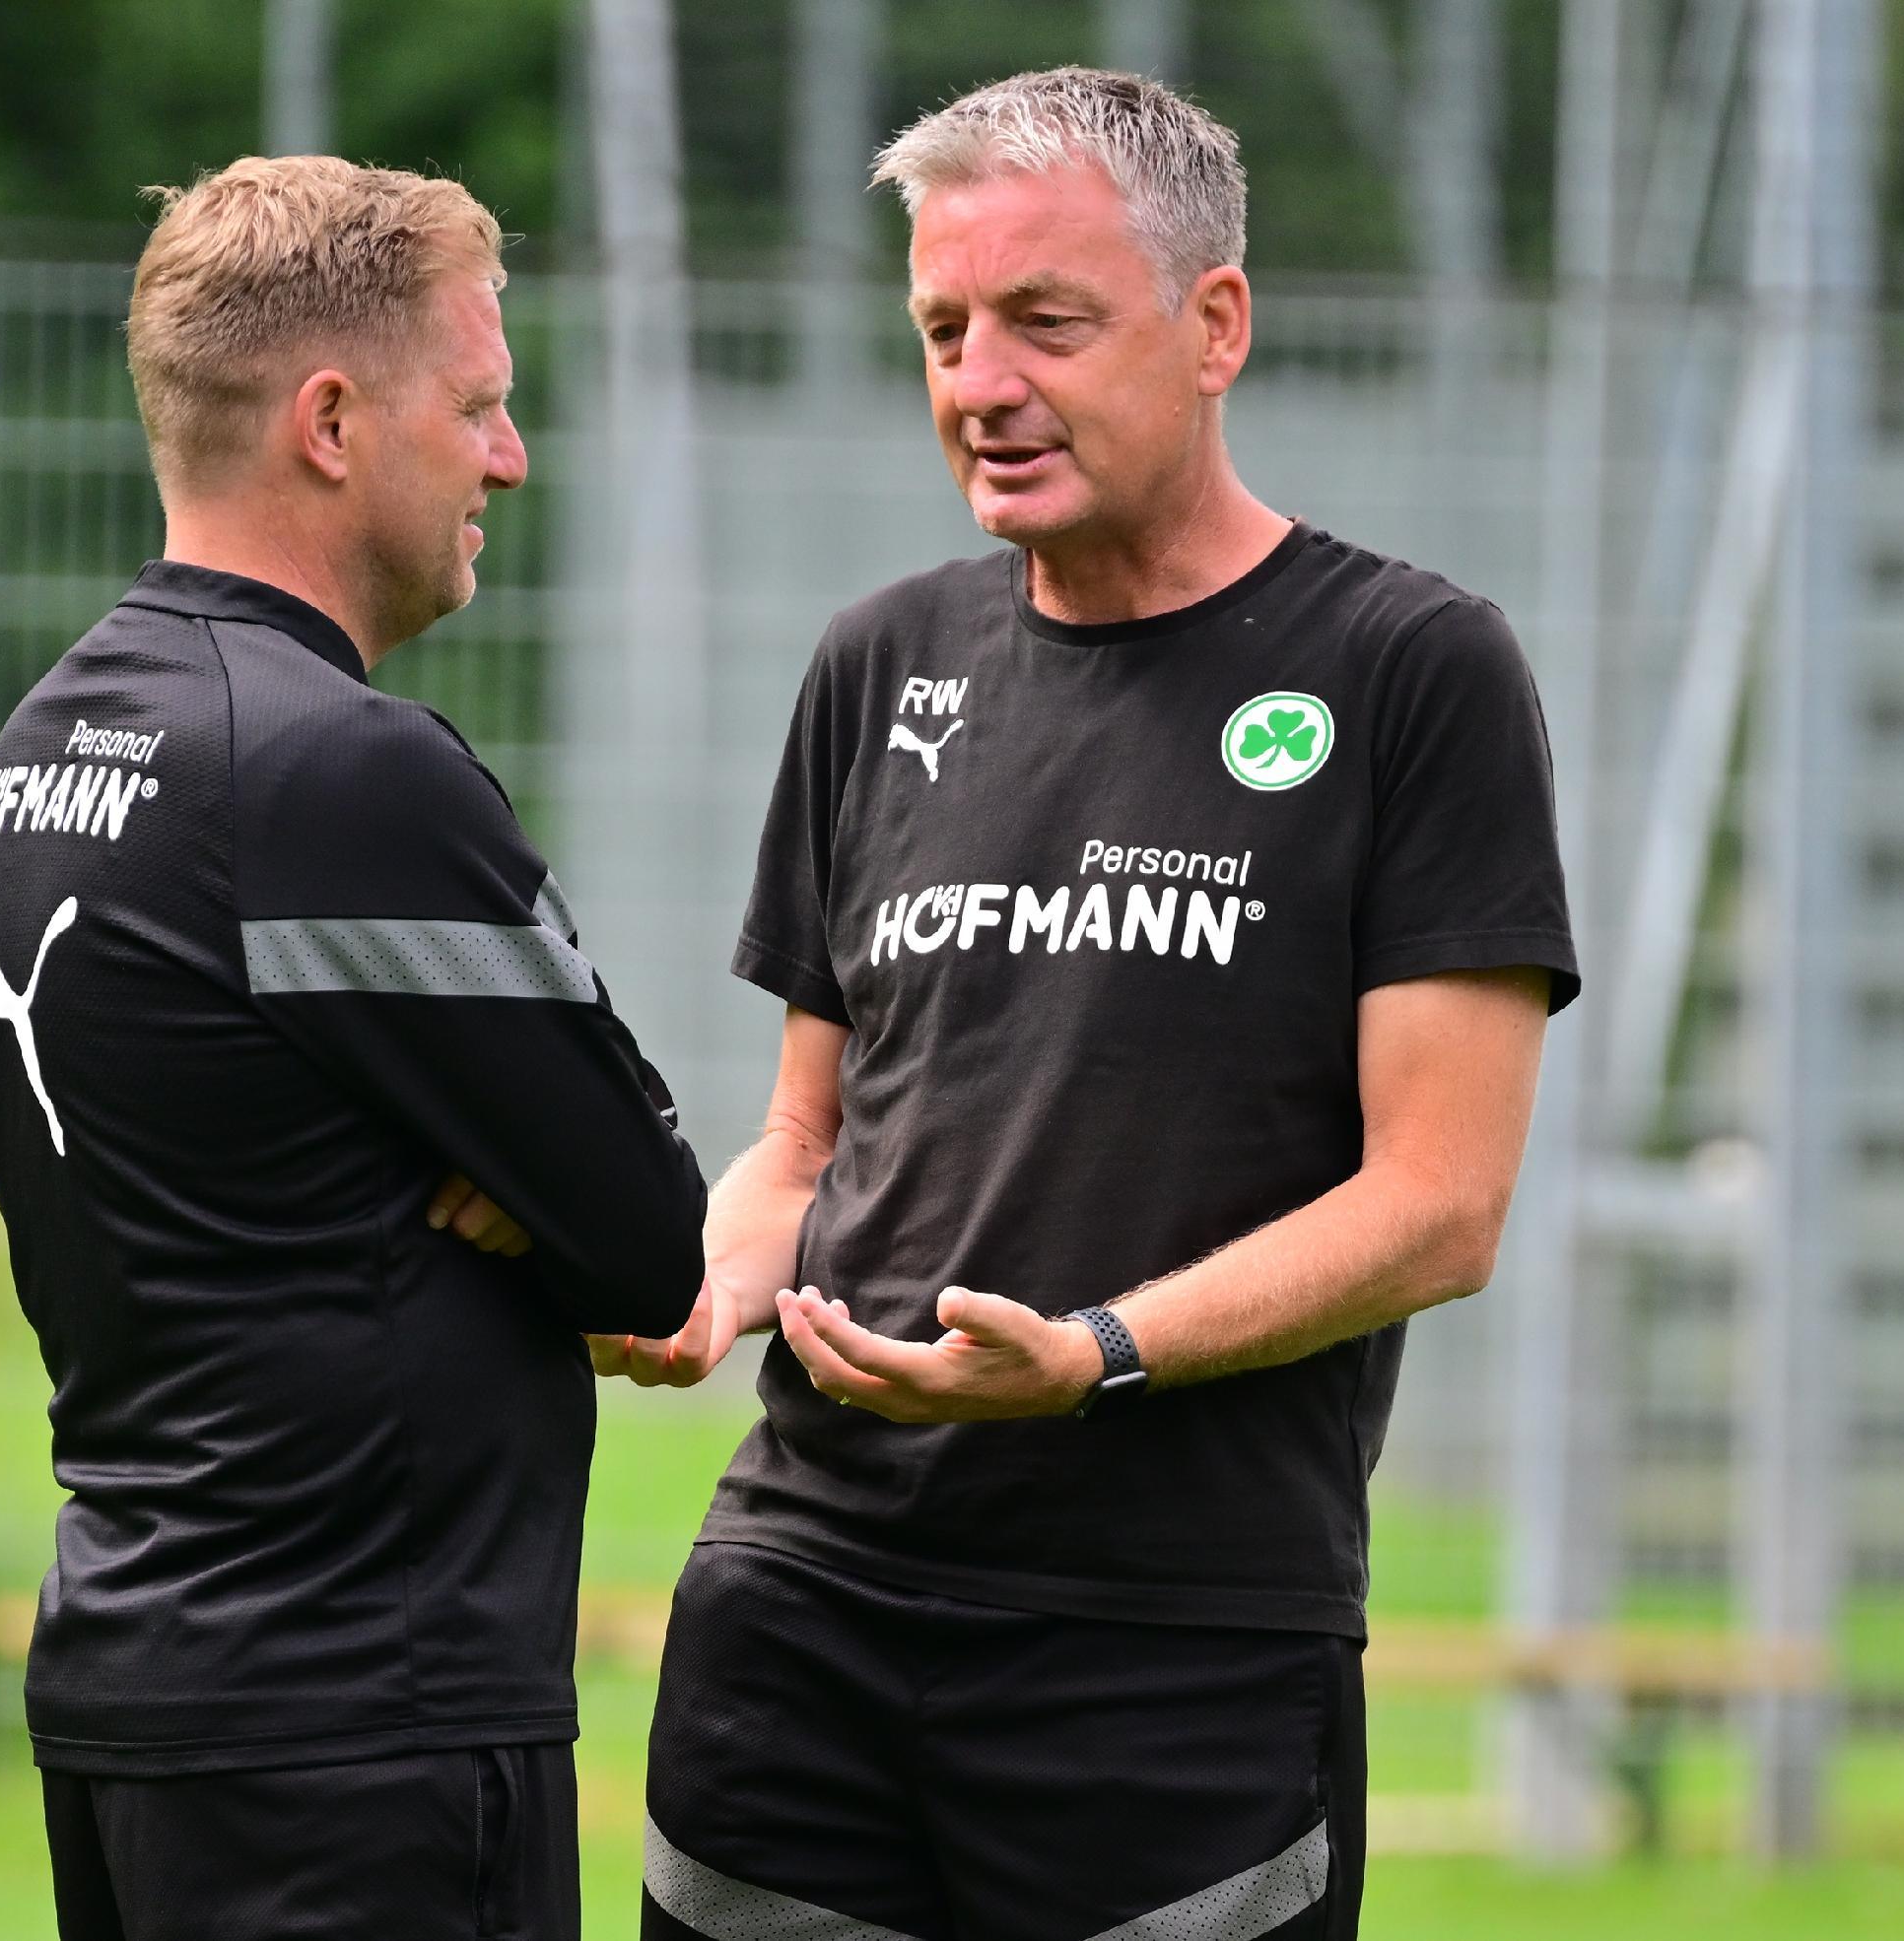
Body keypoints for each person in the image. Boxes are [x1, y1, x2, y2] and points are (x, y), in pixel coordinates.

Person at [617, 69, 1578, 1940]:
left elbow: (1441, 1204)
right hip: (800, 1600)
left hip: (1178, 1643)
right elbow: (807, 1135)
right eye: (944, 328)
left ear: (1214, 325)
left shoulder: (1409, 673)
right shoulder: (880, 660)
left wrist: (1095, 1353)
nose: (981, 380)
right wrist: (712, 1273)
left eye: (1046, 322)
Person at [0, 156, 704, 1941]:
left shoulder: (60, 732)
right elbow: (648, 1233)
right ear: (330, 421)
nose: (508, 459)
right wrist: (541, 1201)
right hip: (359, 1734)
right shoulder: (337, 768)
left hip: (154, 1694)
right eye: (480, 405)